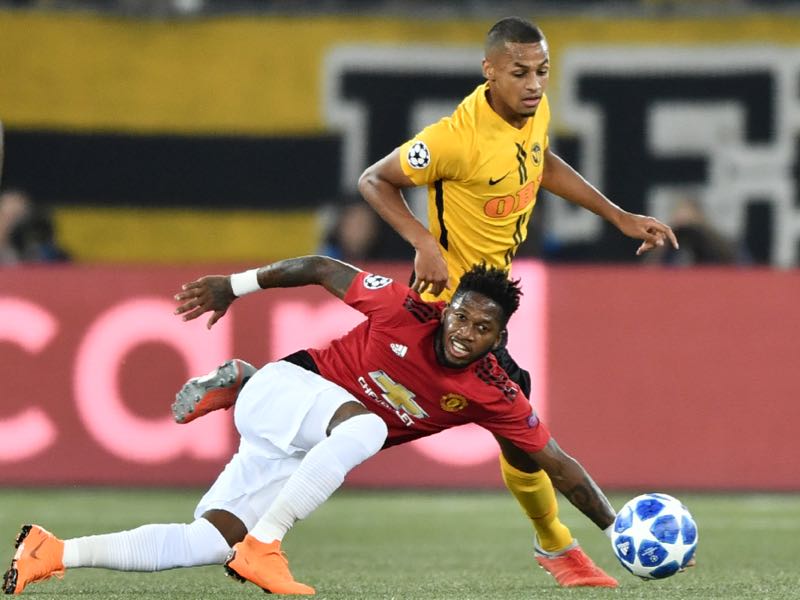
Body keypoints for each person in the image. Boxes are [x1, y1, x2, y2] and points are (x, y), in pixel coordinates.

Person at [3, 255, 618, 596]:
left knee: (204, 542)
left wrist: (616, 530)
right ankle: (265, 542)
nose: (463, 332)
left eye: (481, 329)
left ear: (499, 338)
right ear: (447, 308)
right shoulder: (404, 309)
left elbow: (558, 465)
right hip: (290, 390)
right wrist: (233, 286)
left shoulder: (493, 391)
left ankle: (52, 551)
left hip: (296, 444)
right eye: (460, 316)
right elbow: (323, 267)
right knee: (369, 428)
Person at [355, 16, 680, 589]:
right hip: (449, 309)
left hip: (487, 306)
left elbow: (541, 162)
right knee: (517, 429)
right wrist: (424, 242)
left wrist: (618, 216)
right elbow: (374, 180)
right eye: (519, 72)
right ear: (489, 71)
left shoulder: (533, 114)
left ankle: (558, 548)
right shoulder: (454, 138)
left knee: (491, 424)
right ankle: (565, 547)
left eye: (542, 72)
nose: (534, 84)